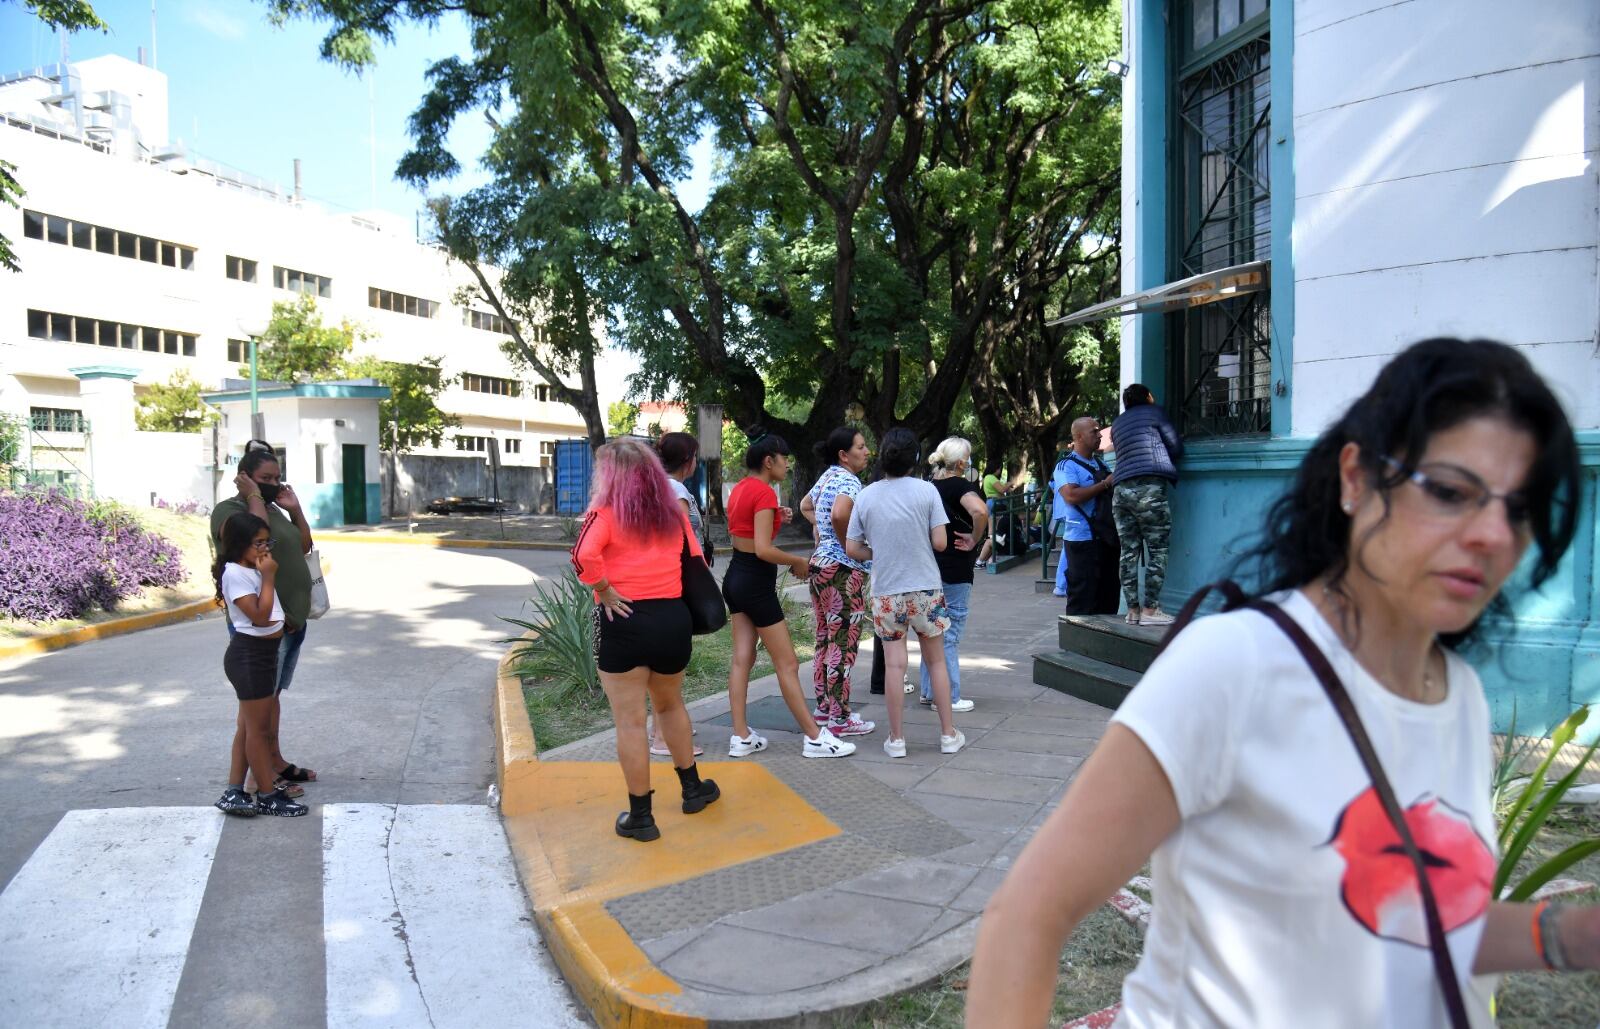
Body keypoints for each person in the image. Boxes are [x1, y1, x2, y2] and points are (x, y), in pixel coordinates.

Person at [966, 339, 1599, 1027]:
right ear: (1355, 478)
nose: (1491, 534)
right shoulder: (1234, 666)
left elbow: (1420, 922)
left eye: (1521, 507)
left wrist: (1567, 935)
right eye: (1449, 490)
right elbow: (1027, 915)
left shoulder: (1462, 697)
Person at [570, 439, 720, 842]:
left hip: (625, 620)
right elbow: (698, 562)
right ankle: (692, 789)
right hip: (672, 620)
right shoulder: (674, 514)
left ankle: (641, 817)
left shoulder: (605, 513)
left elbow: (583, 555)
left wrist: (604, 588)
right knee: (670, 705)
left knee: (631, 722)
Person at [723, 431, 856, 759]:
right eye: (785, 459)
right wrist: (797, 560)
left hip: (735, 579)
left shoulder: (741, 489)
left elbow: (745, 534)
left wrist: (775, 520)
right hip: (756, 585)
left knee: (743, 659)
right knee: (788, 663)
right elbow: (764, 550)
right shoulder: (764, 493)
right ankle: (814, 737)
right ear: (769, 462)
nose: (788, 465)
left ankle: (740, 736)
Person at [845, 427, 966, 758]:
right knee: (936, 661)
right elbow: (941, 542)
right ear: (915, 458)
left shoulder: (866, 495)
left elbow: (852, 547)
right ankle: (947, 734)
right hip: (926, 588)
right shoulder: (927, 492)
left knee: (895, 667)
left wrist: (880, 552)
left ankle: (896, 739)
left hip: (886, 592)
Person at [209, 440, 317, 796]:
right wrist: (255, 497)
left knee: (273, 697)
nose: (274, 483)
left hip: (289, 621)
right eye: (265, 478)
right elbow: (257, 546)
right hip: (264, 625)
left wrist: (295, 510)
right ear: (245, 478)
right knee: (257, 706)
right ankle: (260, 779)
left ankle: (275, 761)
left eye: (277, 477)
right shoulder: (231, 512)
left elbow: (302, 546)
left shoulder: (274, 509)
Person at [211, 512, 307, 818]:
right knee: (258, 730)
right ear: (240, 544)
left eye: (268, 541)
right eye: (258, 543)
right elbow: (260, 617)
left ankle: (234, 791)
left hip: (263, 655)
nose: (265, 548)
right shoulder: (236, 573)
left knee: (248, 728)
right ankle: (266, 795)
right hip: (250, 657)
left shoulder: (250, 568)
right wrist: (268, 577)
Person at [798, 426, 876, 736]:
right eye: (861, 446)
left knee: (825, 639)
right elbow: (841, 514)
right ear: (844, 455)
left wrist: (823, 532)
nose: (867, 450)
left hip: (819, 565)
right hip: (842, 570)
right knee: (843, 644)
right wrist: (847, 545)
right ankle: (840, 719)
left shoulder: (827, 476)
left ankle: (823, 709)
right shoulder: (848, 480)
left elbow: (807, 506)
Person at [918, 437, 989, 714]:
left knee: (930, 631)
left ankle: (929, 690)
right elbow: (980, 510)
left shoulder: (928, 487)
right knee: (949, 633)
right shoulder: (961, 486)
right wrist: (975, 537)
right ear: (961, 462)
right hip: (956, 568)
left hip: (930, 566)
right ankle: (948, 696)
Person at [649, 432, 707, 759]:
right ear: (688, 460)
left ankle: (662, 728)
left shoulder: (652, 486)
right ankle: (663, 736)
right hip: (677, 584)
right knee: (670, 663)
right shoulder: (677, 491)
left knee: (661, 660)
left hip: (658, 582)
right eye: (695, 457)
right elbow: (684, 540)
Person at [1110, 383, 1184, 626]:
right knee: (1158, 549)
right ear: (1148, 397)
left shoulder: (1118, 423)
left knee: (1128, 551)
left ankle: (1132, 610)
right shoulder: (1155, 412)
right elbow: (1175, 447)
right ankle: (1150, 610)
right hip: (1149, 488)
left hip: (1120, 491)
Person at [1057, 417, 1119, 616]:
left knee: (1108, 596)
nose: (1100, 435)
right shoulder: (1066, 466)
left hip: (1106, 538)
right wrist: (1105, 484)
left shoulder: (1101, 464)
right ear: (1079, 437)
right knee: (1083, 597)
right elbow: (1071, 495)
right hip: (1082, 542)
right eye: (1094, 431)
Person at [1046, 434, 1075, 598]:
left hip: (1063, 509)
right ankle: (1061, 585)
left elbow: (1051, 485)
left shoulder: (1061, 465)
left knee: (1067, 545)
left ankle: (1061, 584)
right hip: (1069, 509)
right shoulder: (1067, 464)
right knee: (1069, 546)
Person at [976, 468, 1009, 569]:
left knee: (992, 531)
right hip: (996, 504)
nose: (1000, 471)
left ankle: (985, 558)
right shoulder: (991, 477)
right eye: (1000, 468)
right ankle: (986, 557)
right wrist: (1008, 484)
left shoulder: (986, 478)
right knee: (994, 531)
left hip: (991, 503)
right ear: (997, 468)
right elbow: (1002, 490)